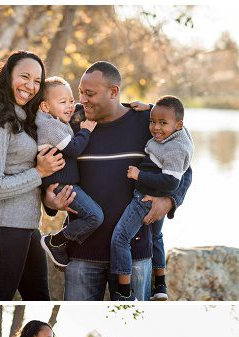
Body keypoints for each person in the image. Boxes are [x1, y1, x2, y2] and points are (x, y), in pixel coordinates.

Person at [42, 61, 192, 300]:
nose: (82, 99)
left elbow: (185, 167)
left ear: (113, 92)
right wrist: (50, 202)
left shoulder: (147, 123)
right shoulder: (71, 122)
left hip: (135, 254)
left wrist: (170, 201)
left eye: (89, 94)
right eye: (80, 92)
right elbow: (50, 171)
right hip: (82, 254)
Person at [0, 50, 66, 300]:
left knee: (40, 300)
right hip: (0, 227)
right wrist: (39, 172)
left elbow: (68, 111)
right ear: (7, 76)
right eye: (24, 76)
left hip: (25, 226)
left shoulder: (25, 118)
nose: (31, 86)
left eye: (37, 81)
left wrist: (49, 201)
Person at [110, 96, 193, 300]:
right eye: (152, 121)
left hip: (145, 198)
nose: (156, 127)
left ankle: (124, 291)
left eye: (162, 123)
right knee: (156, 236)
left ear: (178, 125)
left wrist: (139, 175)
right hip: (153, 196)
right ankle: (161, 286)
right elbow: (169, 114)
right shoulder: (181, 133)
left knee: (120, 238)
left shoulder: (175, 148)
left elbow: (171, 183)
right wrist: (149, 107)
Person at [35, 76, 103, 269]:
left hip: (66, 184)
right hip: (60, 186)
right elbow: (73, 148)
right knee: (94, 216)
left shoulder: (56, 119)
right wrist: (86, 130)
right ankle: (56, 241)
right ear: (45, 107)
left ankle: (63, 246)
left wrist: (138, 106)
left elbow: (89, 106)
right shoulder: (49, 125)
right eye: (63, 102)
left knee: (84, 215)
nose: (71, 106)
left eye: (71, 100)